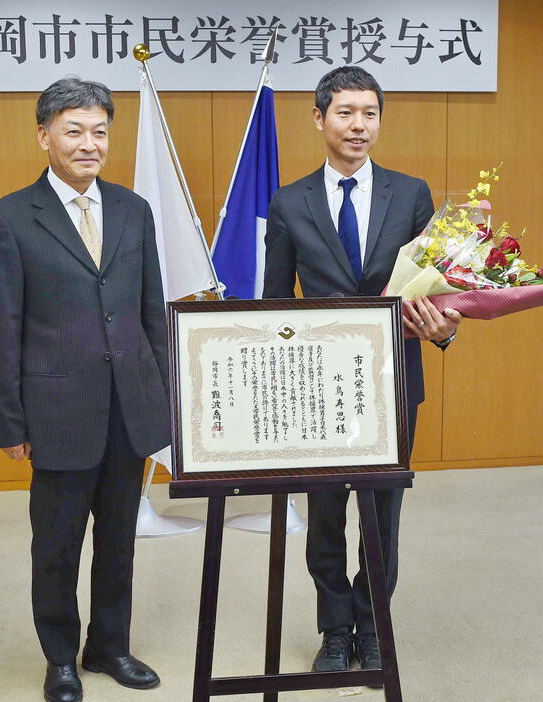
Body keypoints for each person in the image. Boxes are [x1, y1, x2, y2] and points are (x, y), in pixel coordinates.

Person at [263, 66, 462, 679]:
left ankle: (374, 627)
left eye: (370, 113)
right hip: (318, 387)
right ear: (320, 119)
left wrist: (445, 329)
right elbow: (274, 304)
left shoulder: (412, 194)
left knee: (382, 511)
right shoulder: (288, 200)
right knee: (323, 515)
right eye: (346, 113)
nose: (359, 125)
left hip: (393, 380)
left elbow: (441, 291)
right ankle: (334, 628)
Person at [0, 77, 170, 702]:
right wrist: (10, 421)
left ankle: (109, 645)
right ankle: (60, 655)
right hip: (57, 409)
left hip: (127, 406)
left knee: (119, 538)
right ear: (44, 136)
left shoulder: (133, 210)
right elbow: (0, 327)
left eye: (99, 131)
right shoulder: (8, 218)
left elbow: (149, 312)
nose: (89, 144)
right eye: (74, 130)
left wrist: (161, 397)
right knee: (56, 544)